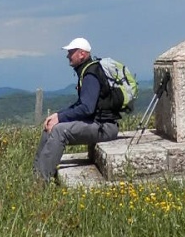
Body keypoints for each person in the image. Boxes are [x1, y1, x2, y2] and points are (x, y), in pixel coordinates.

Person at [33, 37, 121, 182]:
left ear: (82, 54)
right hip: (99, 124)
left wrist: (60, 118)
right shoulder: (88, 71)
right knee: (51, 126)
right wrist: (58, 115)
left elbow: (87, 108)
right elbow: (82, 104)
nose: (68, 56)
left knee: (60, 131)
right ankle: (36, 174)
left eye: (71, 52)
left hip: (105, 127)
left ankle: (40, 182)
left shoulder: (91, 74)